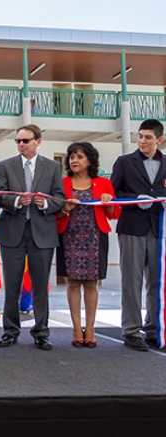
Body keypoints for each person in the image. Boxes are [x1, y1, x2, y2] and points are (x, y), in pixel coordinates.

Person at [0, 124, 65, 351]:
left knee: (39, 286)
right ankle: (10, 331)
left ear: (38, 141)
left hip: (42, 233)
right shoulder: (5, 166)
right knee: (12, 285)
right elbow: (0, 196)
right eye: (18, 141)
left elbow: (60, 198)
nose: (21, 145)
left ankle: (41, 332)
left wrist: (44, 203)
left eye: (25, 141)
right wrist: (16, 202)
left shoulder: (53, 167)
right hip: (12, 232)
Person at [56, 142, 118, 348]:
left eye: (80, 156)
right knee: (72, 282)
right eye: (72, 156)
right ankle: (76, 328)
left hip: (95, 236)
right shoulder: (62, 183)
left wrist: (108, 202)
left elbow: (114, 214)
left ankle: (90, 329)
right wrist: (65, 207)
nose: (74, 160)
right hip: (69, 236)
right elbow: (55, 214)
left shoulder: (103, 183)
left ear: (90, 160)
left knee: (92, 283)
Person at [111, 119, 166, 351]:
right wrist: (135, 200)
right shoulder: (125, 162)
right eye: (140, 136)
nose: (142, 141)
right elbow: (113, 192)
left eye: (148, 138)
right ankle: (132, 330)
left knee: (156, 281)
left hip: (159, 229)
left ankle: (154, 328)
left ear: (160, 140)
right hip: (132, 226)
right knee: (131, 281)